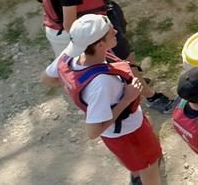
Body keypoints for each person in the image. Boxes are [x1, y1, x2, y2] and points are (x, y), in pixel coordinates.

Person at [40, 0, 175, 112]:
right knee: (127, 61)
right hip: (91, 30)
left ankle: (134, 81)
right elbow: (69, 24)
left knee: (124, 59)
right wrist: (99, 39)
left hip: (97, 17)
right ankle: (151, 97)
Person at [41, 15, 164, 185]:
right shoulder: (101, 83)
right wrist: (127, 99)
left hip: (114, 137)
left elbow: (47, 78)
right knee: (150, 166)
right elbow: (93, 132)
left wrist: (74, 86)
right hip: (129, 133)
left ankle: (136, 174)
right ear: (99, 45)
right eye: (110, 32)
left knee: (133, 161)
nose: (115, 32)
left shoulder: (71, 54)